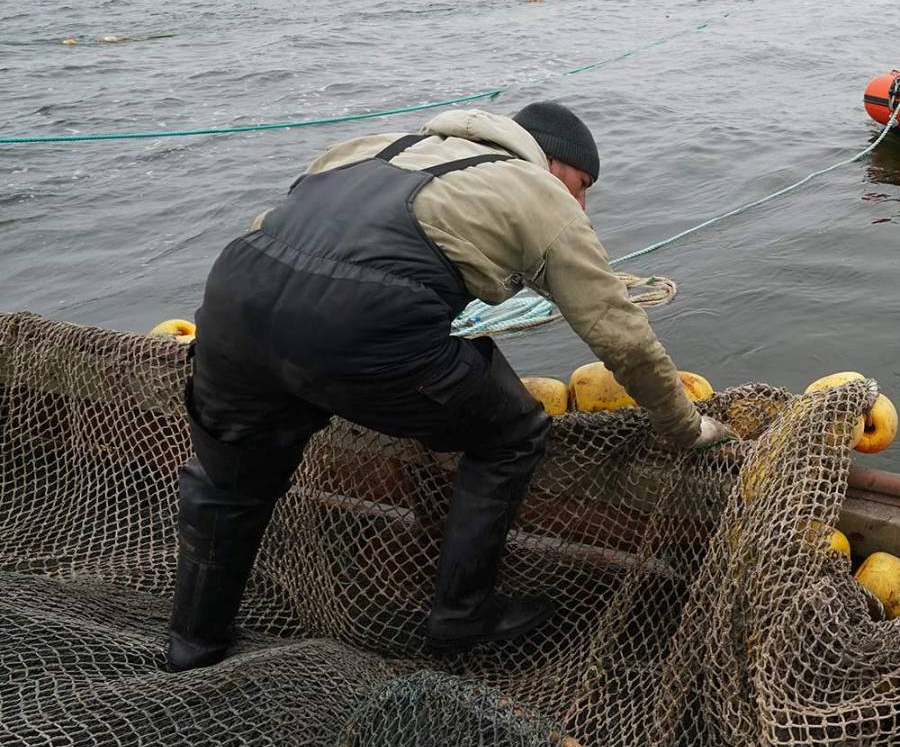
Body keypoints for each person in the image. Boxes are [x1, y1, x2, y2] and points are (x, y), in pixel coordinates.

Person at [168, 101, 736, 672]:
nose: (580, 202)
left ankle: (194, 643)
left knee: (229, 483)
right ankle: (463, 611)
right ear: (553, 160)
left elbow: (297, 235)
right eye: (581, 184)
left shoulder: (370, 147)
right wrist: (684, 425)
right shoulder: (536, 191)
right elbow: (625, 340)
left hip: (233, 301)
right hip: (365, 321)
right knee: (512, 432)